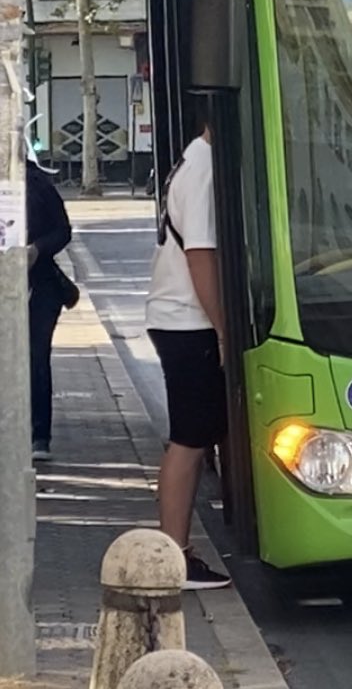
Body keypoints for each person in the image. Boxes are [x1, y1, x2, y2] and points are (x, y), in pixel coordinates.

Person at [146, 109, 231, 590]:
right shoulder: (203, 169)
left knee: (196, 438)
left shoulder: (192, 161)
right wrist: (222, 329)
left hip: (178, 319)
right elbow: (201, 255)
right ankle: (173, 557)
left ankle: (177, 552)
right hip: (188, 322)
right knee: (189, 441)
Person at [27, 157, 75, 462]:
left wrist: (37, 249)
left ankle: (39, 435)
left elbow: (63, 230)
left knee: (35, 355)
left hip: (41, 285)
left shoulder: (38, 184)